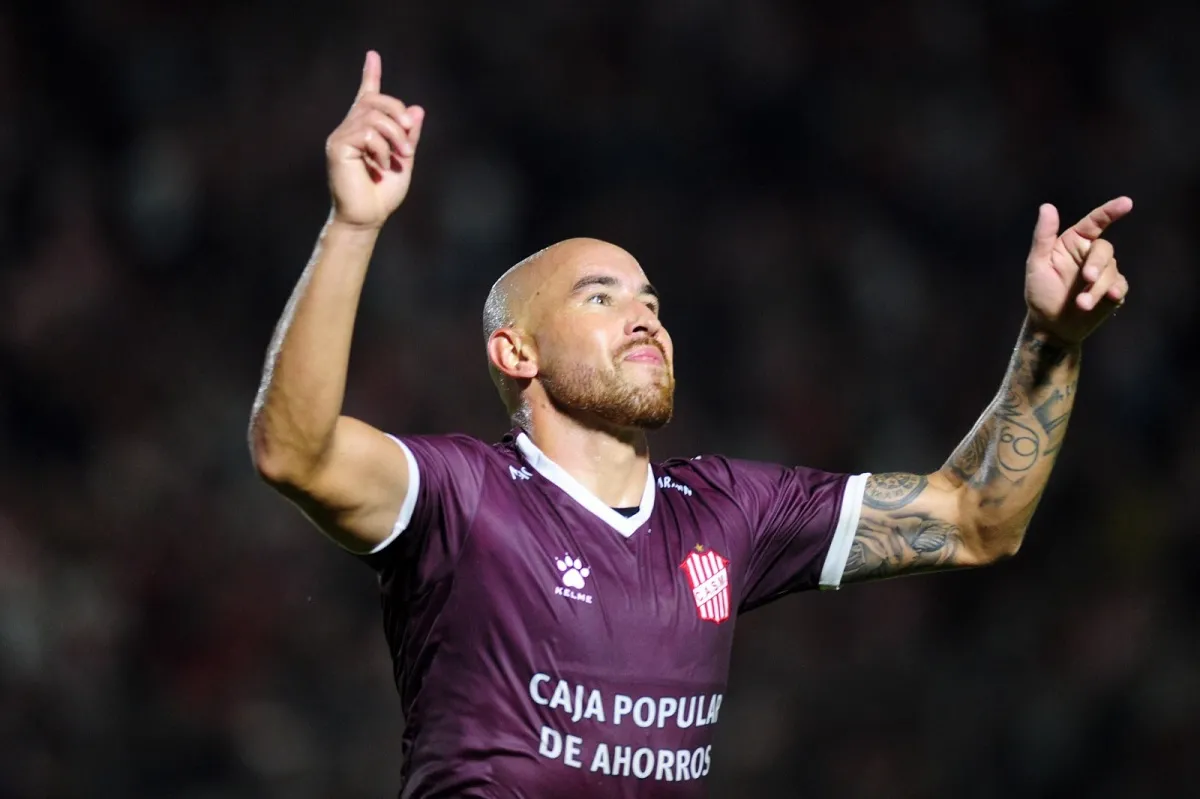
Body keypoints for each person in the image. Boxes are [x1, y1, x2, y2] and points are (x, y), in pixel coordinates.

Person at [248, 52, 1132, 798]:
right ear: (517, 353)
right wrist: (353, 225)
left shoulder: (726, 511)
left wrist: (1051, 340)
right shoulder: (461, 497)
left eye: (651, 301)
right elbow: (293, 449)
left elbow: (977, 518)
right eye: (601, 297)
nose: (645, 318)